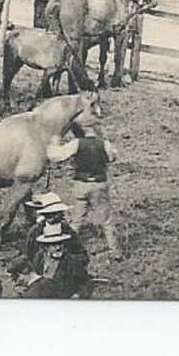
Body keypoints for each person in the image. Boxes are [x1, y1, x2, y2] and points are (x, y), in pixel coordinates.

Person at [52, 121, 122, 259]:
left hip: (81, 183)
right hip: (99, 183)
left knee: (77, 219)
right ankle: (115, 251)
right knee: (106, 220)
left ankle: (68, 250)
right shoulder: (104, 143)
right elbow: (112, 158)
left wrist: (54, 142)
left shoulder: (76, 143)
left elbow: (57, 157)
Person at [20, 221, 91, 299]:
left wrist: (78, 295)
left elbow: (85, 283)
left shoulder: (72, 262)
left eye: (60, 243)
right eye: (53, 245)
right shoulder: (39, 258)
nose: (58, 248)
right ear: (45, 247)